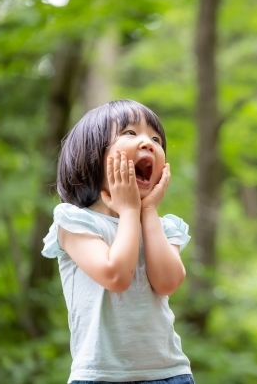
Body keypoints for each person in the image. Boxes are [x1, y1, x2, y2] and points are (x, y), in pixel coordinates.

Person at [41, 99, 194, 384]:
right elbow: (115, 276)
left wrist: (146, 211)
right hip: (100, 375)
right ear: (90, 156)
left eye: (156, 138)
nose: (148, 142)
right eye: (130, 133)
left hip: (170, 373)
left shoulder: (164, 226)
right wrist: (129, 211)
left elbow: (168, 282)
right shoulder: (75, 221)